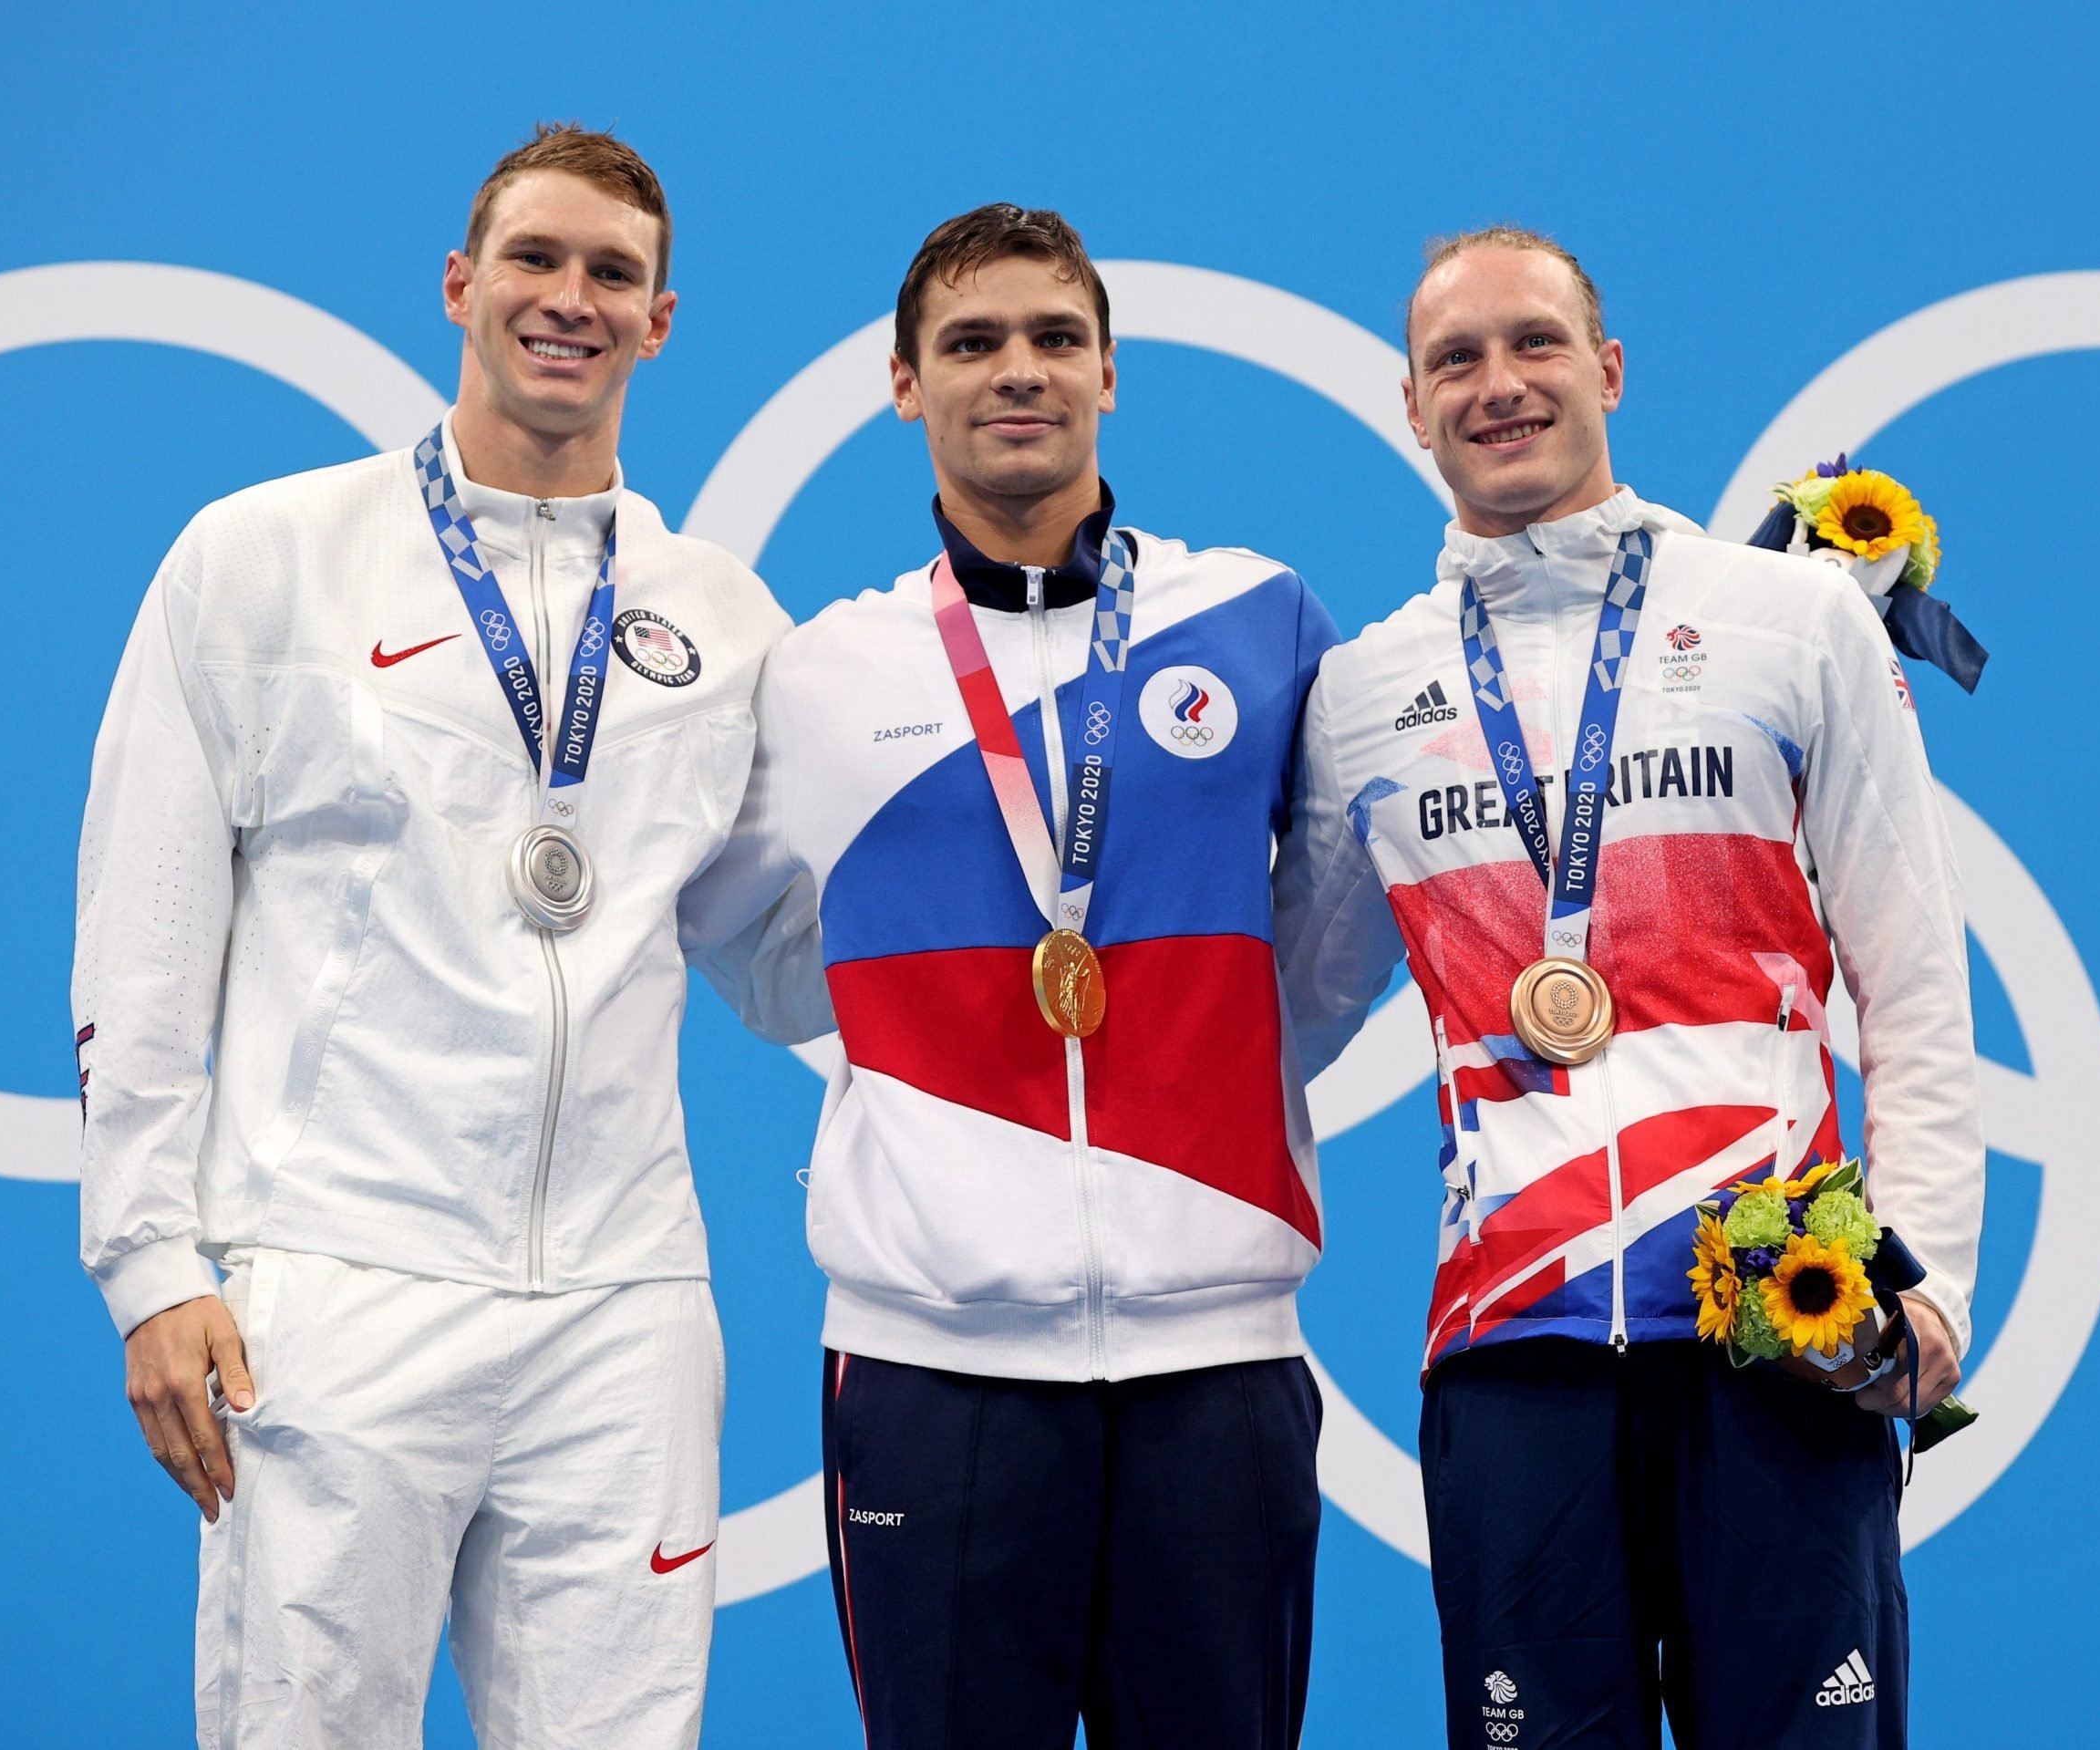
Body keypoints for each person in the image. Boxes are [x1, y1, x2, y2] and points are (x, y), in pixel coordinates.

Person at [73, 123, 788, 1747]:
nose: (571, 298)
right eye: (536, 259)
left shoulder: (728, 622)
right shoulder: (262, 559)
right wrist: (148, 1264)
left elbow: (785, 952)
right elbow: (145, 931)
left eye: (615, 273)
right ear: (461, 287)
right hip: (337, 1282)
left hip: (624, 1306)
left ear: (660, 322)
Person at [1279, 227, 1985, 1749]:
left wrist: (1932, 1290)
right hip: (1512, 1348)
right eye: (1456, 360)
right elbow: (1277, 1014)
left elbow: (1915, 984)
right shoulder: (1361, 695)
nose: (1499, 385)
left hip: (1778, 1325)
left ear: (1606, 368)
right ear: (1411, 407)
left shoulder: (1788, 624)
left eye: (1534, 343)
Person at [681, 203, 1341, 1749]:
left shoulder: (1256, 620)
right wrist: (915, 1045)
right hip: (930, 1367)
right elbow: (736, 931)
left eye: (1054, 338)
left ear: (1111, 369)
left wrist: (1221, 1062)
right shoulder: (824, 672)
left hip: (1216, 1360)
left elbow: (1334, 925)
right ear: (902, 384)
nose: (1017, 371)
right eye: (971, 343)